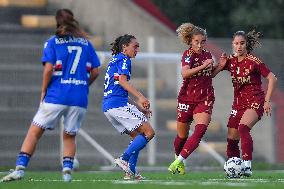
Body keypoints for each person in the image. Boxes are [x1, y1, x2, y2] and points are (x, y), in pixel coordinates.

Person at [0, 9, 100, 182]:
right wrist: (83, 85)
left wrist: (44, 90)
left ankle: (20, 168)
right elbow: (96, 71)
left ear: (57, 22)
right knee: (69, 135)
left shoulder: (52, 42)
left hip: (57, 95)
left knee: (35, 131)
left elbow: (48, 69)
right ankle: (67, 172)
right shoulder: (86, 43)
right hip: (79, 97)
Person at [213, 30, 277, 177]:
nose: (239, 46)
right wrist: (220, 65)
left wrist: (267, 101)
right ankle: (233, 169)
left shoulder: (254, 61)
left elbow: (272, 78)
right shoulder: (230, 61)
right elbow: (212, 75)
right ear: (232, 45)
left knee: (243, 128)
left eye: (242, 43)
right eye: (236, 43)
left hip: (255, 101)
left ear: (246, 44)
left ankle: (247, 166)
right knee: (231, 140)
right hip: (238, 104)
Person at [102, 34, 155, 180]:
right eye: (135, 46)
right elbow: (123, 82)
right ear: (125, 47)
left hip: (109, 106)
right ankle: (124, 159)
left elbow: (118, 89)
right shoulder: (124, 59)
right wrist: (141, 97)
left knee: (138, 136)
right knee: (149, 132)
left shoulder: (115, 60)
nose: (137, 49)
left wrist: (137, 106)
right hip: (117, 105)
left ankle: (130, 171)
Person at [168, 23, 216, 174]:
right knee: (182, 136)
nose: (200, 45)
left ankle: (178, 161)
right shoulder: (188, 54)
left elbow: (209, 74)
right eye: (197, 41)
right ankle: (178, 157)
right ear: (190, 41)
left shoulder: (207, 55)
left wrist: (220, 66)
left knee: (200, 130)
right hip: (187, 98)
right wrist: (203, 66)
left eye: (203, 42)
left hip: (205, 97)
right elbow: (185, 73)